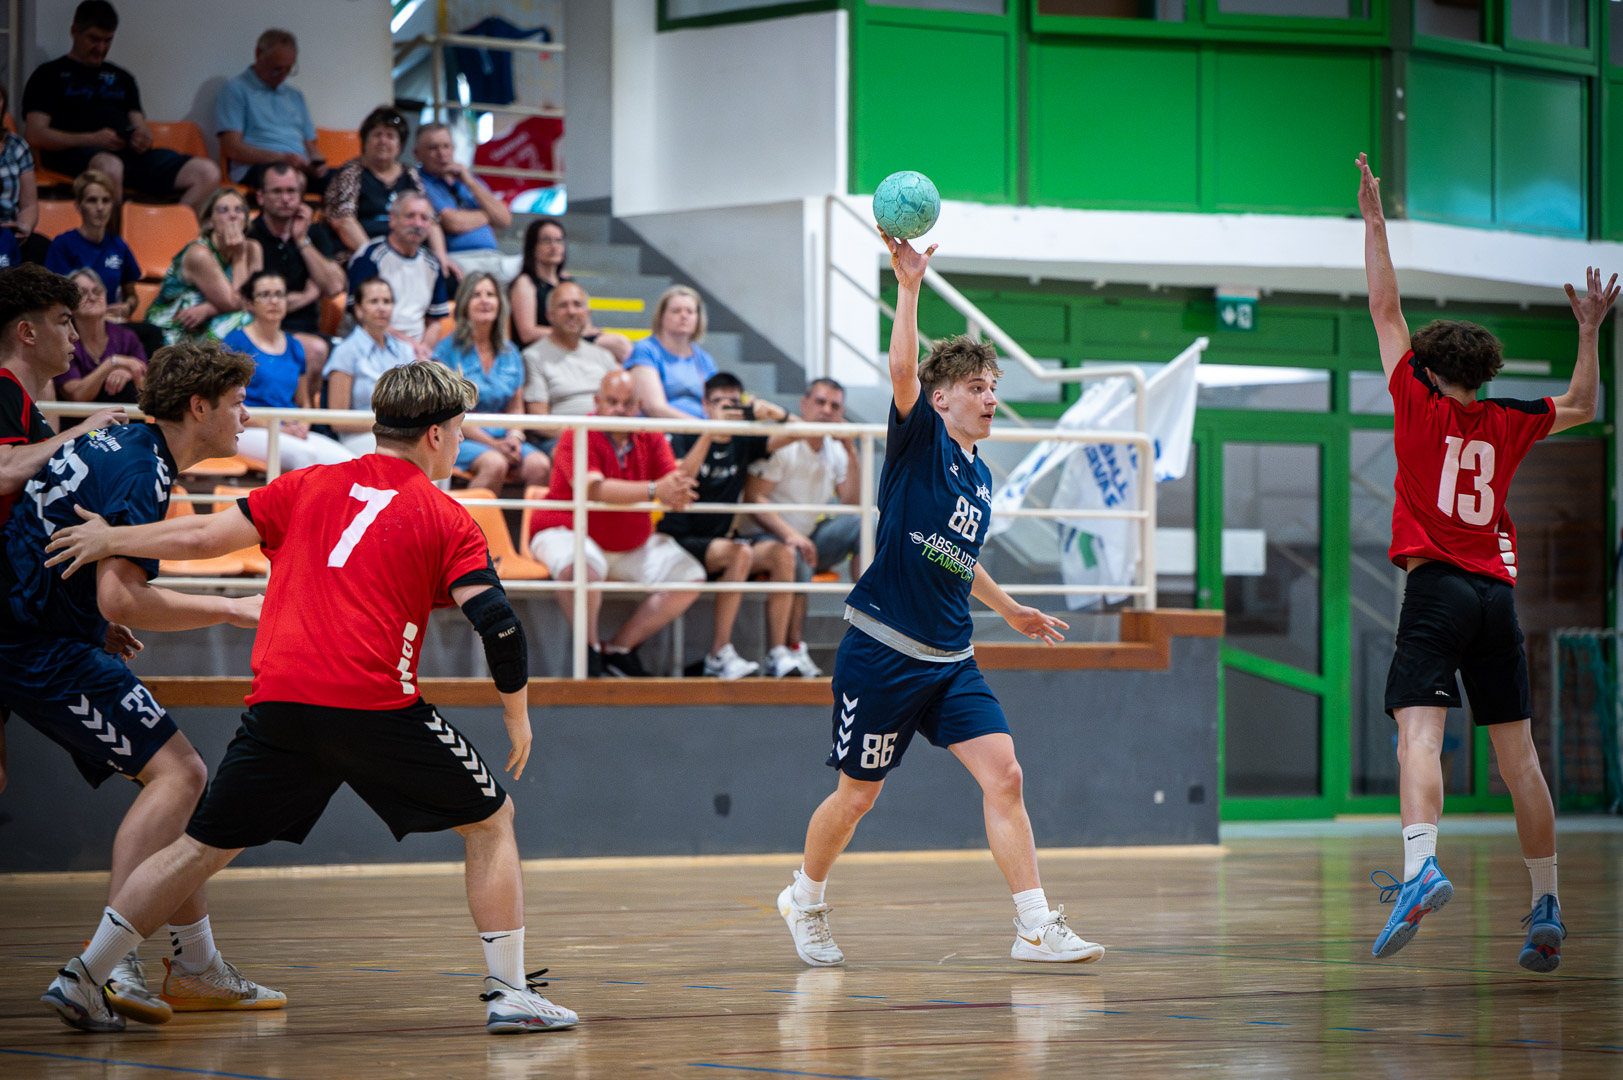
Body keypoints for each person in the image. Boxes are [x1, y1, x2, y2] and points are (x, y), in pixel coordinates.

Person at [38, 360, 577, 1036]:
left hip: (281, 704)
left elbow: (200, 536)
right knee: (492, 820)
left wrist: (111, 537)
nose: (461, 440)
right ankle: (510, 992)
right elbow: (498, 624)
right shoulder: (447, 517)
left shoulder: (306, 483)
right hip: (375, 706)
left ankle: (83, 974)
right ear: (437, 435)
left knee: (199, 848)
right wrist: (516, 714)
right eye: (461, 429)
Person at [774, 232, 1102, 970]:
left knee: (1006, 775)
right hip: (882, 651)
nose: (991, 399)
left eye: (993, 388)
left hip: (951, 658)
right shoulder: (919, 440)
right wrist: (908, 285)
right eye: (977, 388)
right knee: (856, 799)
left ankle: (1033, 926)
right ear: (942, 398)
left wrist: (1009, 608)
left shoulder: (979, 477)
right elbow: (901, 368)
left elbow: (959, 558)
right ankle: (804, 897)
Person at [1355, 152, 1610, 972]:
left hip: (1435, 589)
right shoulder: (1508, 420)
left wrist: (1373, 223)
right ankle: (1546, 904)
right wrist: (1588, 330)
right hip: (1497, 598)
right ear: (1483, 374)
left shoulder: (1413, 397)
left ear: (1429, 370)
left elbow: (1383, 305)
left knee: (1417, 737)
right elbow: (1584, 403)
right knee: (1519, 760)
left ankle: (1419, 869)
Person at [5, 340, 282, 1031]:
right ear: (199, 407)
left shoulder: (124, 444)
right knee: (180, 776)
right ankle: (111, 965)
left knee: (174, 789)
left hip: (42, 628)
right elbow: (123, 598)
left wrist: (88, 618)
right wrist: (231, 608)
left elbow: (67, 557)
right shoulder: (142, 468)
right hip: (33, 645)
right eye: (237, 402)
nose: (247, 416)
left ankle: (196, 966)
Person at [0, 264, 129, 797]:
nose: (75, 334)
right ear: (27, 332)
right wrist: (80, 431)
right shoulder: (2, 389)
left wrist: (85, 620)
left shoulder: (24, 405)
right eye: (62, 320)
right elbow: (2, 471)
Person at [526, 369, 702, 677]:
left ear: (639, 406)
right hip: (565, 529)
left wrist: (707, 436)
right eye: (612, 402)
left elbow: (674, 483)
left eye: (628, 403)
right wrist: (655, 490)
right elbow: (593, 490)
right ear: (597, 402)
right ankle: (590, 653)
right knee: (581, 567)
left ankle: (619, 650)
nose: (620, 409)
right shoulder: (577, 433)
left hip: (629, 542)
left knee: (689, 576)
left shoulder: (651, 435)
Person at [659, 373, 797, 680]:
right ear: (705, 406)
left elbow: (804, 433)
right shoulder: (685, 434)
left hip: (721, 542)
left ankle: (777, 653)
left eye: (734, 402)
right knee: (739, 553)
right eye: (720, 402)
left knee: (781, 554)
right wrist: (711, 431)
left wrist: (775, 413)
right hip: (680, 539)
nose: (728, 408)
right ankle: (719, 654)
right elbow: (680, 481)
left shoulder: (744, 439)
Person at [22, 1, 219, 213]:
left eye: (107, 40)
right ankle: (115, 234)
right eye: (94, 39)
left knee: (207, 172)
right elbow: (35, 134)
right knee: (110, 166)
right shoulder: (48, 75)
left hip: (129, 156)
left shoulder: (122, 77)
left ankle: (171, 228)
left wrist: (142, 138)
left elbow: (140, 127)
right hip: (73, 156)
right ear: (74, 31)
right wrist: (91, 139)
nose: (101, 48)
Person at [744, 378, 864, 678]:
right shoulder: (786, 442)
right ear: (804, 404)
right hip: (766, 536)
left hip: (809, 538)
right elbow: (753, 498)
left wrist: (851, 451)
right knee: (793, 552)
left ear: (842, 414)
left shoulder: (836, 450)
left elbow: (852, 503)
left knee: (866, 523)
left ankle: (868, 629)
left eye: (834, 406)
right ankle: (788, 649)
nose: (826, 410)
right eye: (820, 402)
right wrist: (791, 535)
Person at [224, 270, 352, 471]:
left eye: (279, 294)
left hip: (288, 429)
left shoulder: (294, 346)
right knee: (303, 457)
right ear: (250, 303)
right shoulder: (235, 342)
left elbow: (304, 402)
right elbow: (227, 402)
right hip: (248, 428)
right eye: (265, 295)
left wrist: (302, 424)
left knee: (349, 462)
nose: (274, 301)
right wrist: (278, 427)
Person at [432, 272, 548, 492]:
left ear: (499, 303)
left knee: (539, 465)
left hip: (503, 437)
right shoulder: (446, 351)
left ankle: (530, 518)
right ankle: (470, 516)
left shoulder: (511, 352)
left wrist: (515, 436)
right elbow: (448, 413)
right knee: (495, 463)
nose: (484, 300)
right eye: (476, 295)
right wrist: (493, 445)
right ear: (464, 304)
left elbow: (515, 407)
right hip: (460, 435)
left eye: (490, 294)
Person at [324, 106, 453, 273]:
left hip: (409, 254)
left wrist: (440, 260)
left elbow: (431, 222)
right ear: (365, 140)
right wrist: (377, 258)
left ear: (400, 145)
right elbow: (344, 221)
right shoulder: (351, 172)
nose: (383, 141)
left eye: (390, 136)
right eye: (377, 135)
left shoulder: (410, 174)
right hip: (362, 255)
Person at [249, 162, 344, 383]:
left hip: (307, 329)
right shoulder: (250, 237)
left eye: (291, 191)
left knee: (347, 354)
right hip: (261, 331)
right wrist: (308, 295)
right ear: (261, 196)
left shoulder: (314, 233)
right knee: (313, 349)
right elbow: (250, 302)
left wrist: (302, 241)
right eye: (277, 191)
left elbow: (334, 286)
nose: (286, 199)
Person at [144, 188, 262, 346]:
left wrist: (209, 309)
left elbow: (258, 301)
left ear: (246, 219)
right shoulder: (199, 254)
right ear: (210, 221)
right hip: (176, 328)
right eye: (223, 210)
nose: (233, 215)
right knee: (245, 321)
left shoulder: (253, 248)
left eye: (239, 210)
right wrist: (239, 257)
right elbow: (235, 303)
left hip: (211, 321)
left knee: (259, 320)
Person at [215, 29, 328, 193]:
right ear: (259, 54)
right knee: (290, 178)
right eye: (276, 69)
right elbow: (232, 148)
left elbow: (310, 144)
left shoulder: (295, 95)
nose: (282, 75)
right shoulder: (235, 90)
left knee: (350, 181)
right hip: (257, 166)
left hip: (300, 167)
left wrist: (318, 163)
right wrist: (281, 158)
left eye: (288, 69)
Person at [507, 218, 631, 362]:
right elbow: (527, 333)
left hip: (571, 342)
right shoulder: (525, 283)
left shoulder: (567, 281)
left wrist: (586, 331)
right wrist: (572, 332)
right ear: (533, 246)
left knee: (618, 352)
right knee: (618, 346)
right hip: (541, 348)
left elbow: (586, 324)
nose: (554, 246)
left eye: (559, 241)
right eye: (547, 241)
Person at [347, 191, 450, 356]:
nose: (417, 224)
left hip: (417, 351)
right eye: (410, 216)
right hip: (373, 345)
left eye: (424, 218)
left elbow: (435, 322)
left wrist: (423, 350)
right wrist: (411, 348)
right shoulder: (369, 257)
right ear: (392, 219)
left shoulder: (433, 264)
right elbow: (362, 317)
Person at [522, 281, 621, 448]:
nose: (571, 311)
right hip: (561, 441)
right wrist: (587, 436)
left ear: (588, 313)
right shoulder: (533, 356)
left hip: (607, 438)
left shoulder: (604, 356)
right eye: (563, 305)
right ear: (549, 315)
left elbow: (621, 406)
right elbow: (539, 421)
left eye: (577, 305)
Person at [324, 276, 415, 455]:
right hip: (360, 437)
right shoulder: (345, 351)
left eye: (387, 301)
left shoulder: (405, 351)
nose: (382, 308)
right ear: (359, 310)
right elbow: (337, 420)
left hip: (403, 434)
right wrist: (390, 426)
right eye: (374, 301)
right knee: (402, 453)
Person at [415, 123, 511, 278]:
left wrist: (470, 183)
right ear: (417, 154)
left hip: (493, 256)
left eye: (446, 146)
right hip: (458, 260)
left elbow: (504, 219)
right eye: (433, 148)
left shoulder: (469, 180)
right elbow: (452, 222)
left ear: (453, 148)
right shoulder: (419, 183)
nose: (442, 154)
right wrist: (489, 216)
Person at [44, 170, 140, 321]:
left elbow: (132, 296)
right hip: (75, 324)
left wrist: (127, 307)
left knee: (150, 331)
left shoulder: (119, 245)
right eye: (92, 200)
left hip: (112, 323)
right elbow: (55, 301)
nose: (100, 207)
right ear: (78, 206)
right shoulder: (63, 245)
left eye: (106, 200)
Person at [55, 268, 145, 404]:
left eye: (97, 291)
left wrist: (130, 374)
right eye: (83, 293)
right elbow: (77, 396)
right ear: (69, 304)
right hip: (80, 417)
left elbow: (146, 388)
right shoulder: (63, 341)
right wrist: (112, 363)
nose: (92, 298)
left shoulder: (127, 337)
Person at [627, 285, 716, 420]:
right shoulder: (646, 350)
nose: (684, 316)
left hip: (701, 427)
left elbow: (716, 403)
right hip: (662, 428)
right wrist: (700, 427)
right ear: (661, 316)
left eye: (690, 311)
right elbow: (653, 407)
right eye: (676, 311)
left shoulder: (705, 359)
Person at [0, 82, 46, 265]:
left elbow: (29, 205)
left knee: (44, 248)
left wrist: (24, 227)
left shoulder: (17, 146)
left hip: (10, 229)